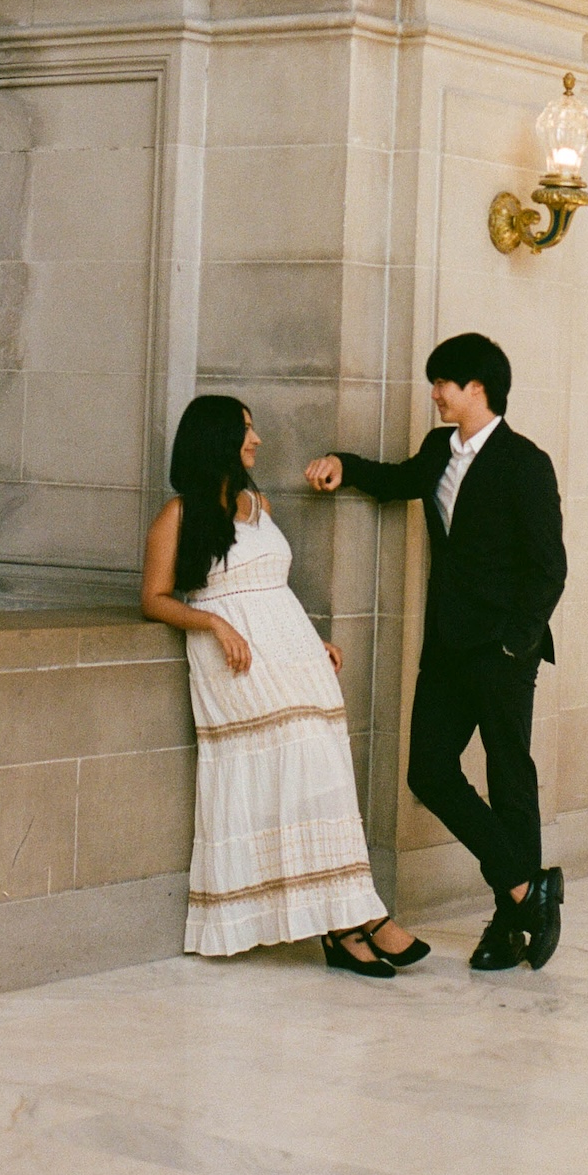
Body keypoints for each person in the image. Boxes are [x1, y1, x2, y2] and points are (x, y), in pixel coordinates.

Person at [305, 333, 568, 972]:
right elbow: (401, 481)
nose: (434, 393)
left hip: (503, 650)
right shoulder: (437, 448)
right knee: (428, 769)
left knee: (510, 778)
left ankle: (510, 927)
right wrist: (345, 464)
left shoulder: (525, 462)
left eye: (442, 383)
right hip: (447, 648)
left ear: (475, 387)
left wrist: (515, 644)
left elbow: (549, 569)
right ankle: (525, 888)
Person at [141, 394, 426, 978]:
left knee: (324, 771)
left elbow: (273, 588)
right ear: (216, 439)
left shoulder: (257, 502)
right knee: (301, 769)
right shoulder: (179, 514)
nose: (258, 439)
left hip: (290, 653)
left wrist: (308, 637)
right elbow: (154, 598)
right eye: (246, 429)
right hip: (237, 663)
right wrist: (213, 622)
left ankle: (350, 918)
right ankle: (350, 923)